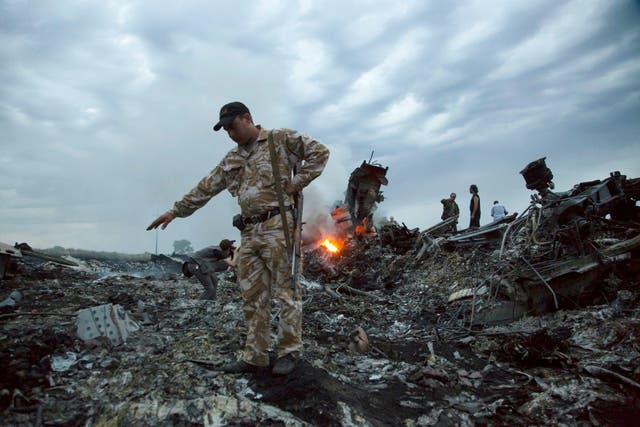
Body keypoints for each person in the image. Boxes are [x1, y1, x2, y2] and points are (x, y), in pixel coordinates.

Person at [147, 101, 329, 375]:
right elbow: (206, 187)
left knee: (287, 292)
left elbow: (320, 153)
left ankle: (289, 352)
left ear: (247, 118)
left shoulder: (279, 139)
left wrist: (297, 182)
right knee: (253, 296)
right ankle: (255, 356)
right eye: (226, 130)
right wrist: (175, 211)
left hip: (279, 227)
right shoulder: (232, 159)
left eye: (233, 126)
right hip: (249, 232)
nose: (230, 133)